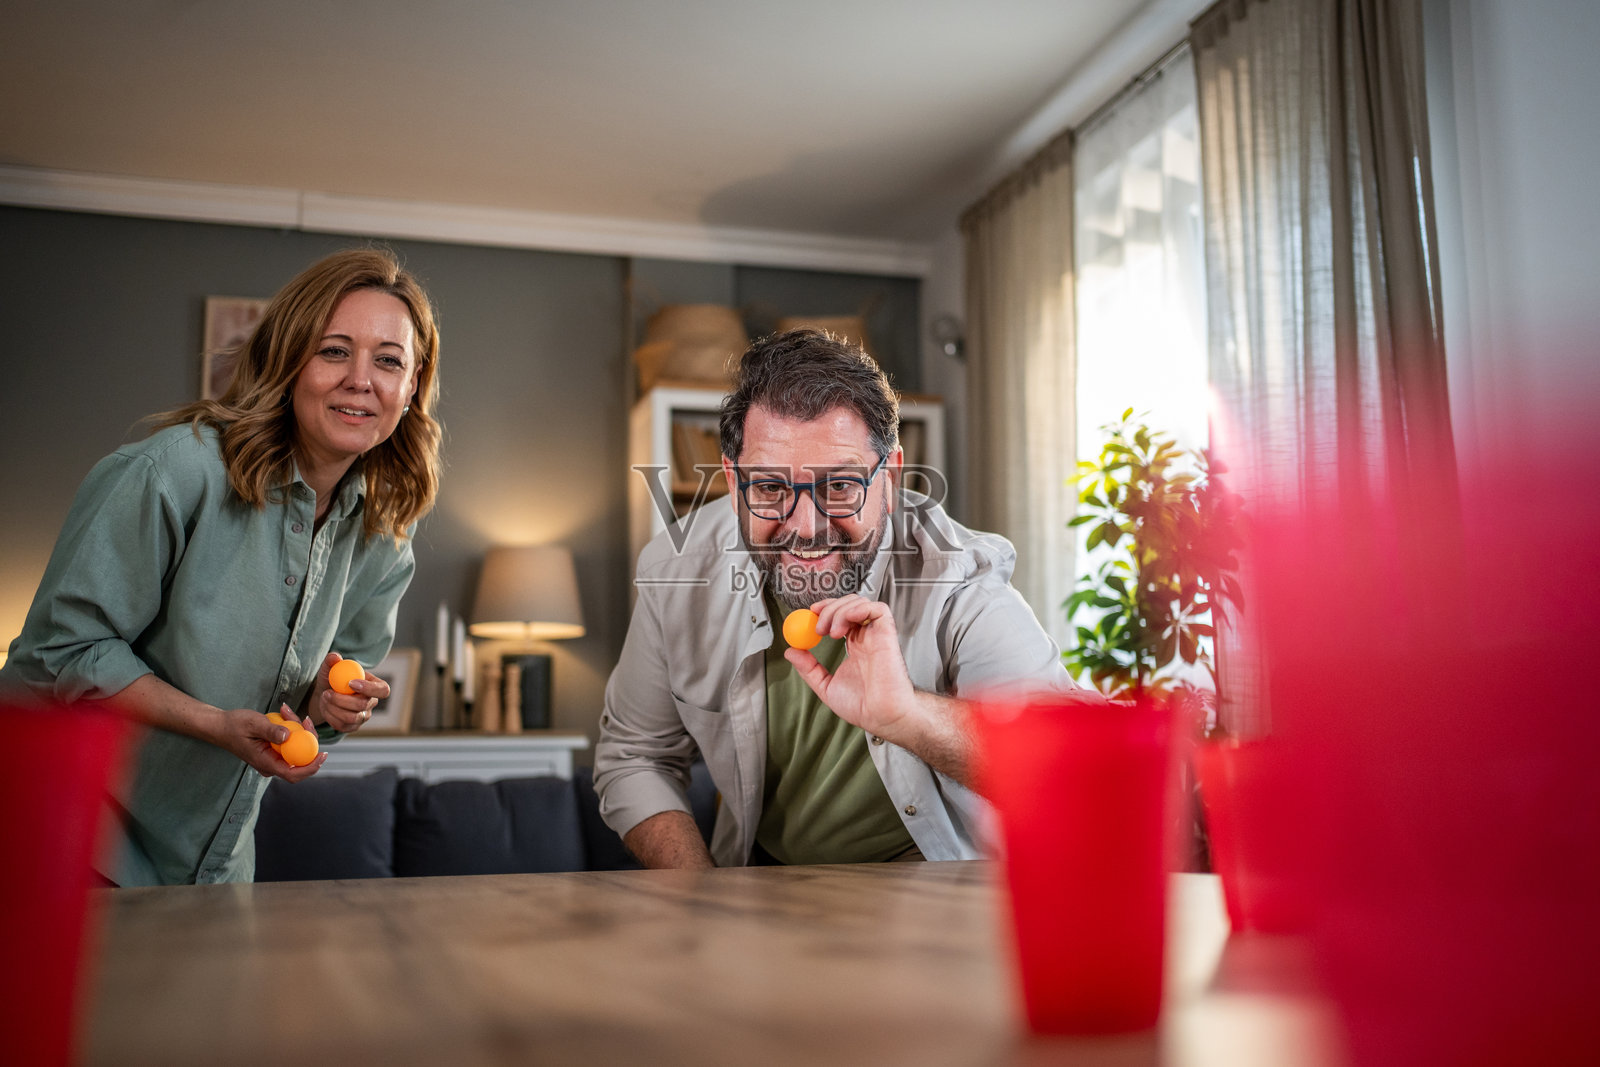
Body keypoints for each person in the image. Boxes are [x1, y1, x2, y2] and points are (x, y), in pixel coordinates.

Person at [0, 248, 442, 886]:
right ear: (288, 361)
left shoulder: (384, 535)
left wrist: (328, 705)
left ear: (412, 385)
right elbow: (61, 652)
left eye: (388, 360)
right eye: (334, 350)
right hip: (63, 835)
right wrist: (214, 724)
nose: (361, 380)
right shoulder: (174, 471)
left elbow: (328, 689)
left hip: (212, 865)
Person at [594, 328, 1089, 868]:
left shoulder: (959, 577)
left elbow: (1066, 767)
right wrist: (699, 895)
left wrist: (908, 716)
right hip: (762, 888)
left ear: (890, 476)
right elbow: (635, 755)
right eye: (769, 489)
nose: (805, 528)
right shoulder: (677, 572)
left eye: (839, 487)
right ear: (734, 481)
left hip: (939, 888)